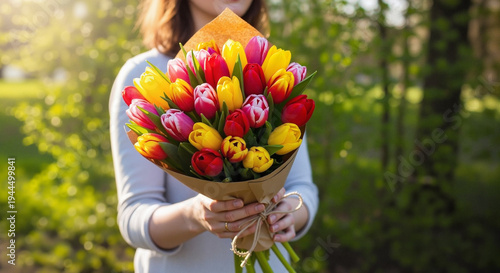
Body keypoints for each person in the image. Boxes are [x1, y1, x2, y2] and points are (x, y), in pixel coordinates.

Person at [109, 0, 318, 272]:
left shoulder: (269, 68)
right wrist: (194, 215)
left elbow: (304, 188)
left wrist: (288, 214)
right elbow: (133, 217)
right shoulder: (144, 75)